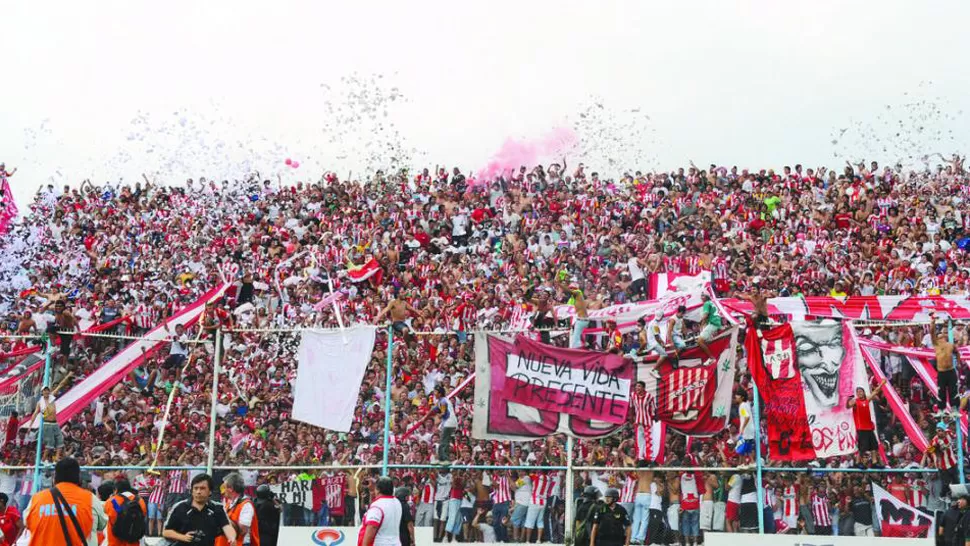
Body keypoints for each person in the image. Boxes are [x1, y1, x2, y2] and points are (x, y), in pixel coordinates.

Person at [23, 457, 107, 546]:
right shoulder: (91, 499)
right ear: (79, 477)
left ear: (55, 476)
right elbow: (102, 525)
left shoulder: (37, 499)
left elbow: (27, 523)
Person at [163, 474, 237, 546]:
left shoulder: (217, 508)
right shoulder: (179, 507)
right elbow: (166, 532)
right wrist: (183, 537)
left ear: (210, 491)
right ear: (191, 490)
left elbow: (227, 526)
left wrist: (232, 539)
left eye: (202, 488)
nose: (198, 492)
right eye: (195, 488)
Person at [846, 380, 887, 466]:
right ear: (856, 394)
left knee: (874, 446)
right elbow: (848, 406)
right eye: (858, 392)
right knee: (862, 447)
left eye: (861, 391)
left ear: (864, 392)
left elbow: (875, 391)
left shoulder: (866, 400)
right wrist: (849, 397)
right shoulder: (855, 402)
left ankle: (874, 462)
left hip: (869, 428)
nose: (860, 393)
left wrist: (882, 383)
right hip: (861, 429)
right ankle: (858, 462)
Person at [930, 312, 962, 410]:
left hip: (951, 370)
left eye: (945, 333)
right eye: (941, 333)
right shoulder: (936, 344)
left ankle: (955, 408)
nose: (943, 335)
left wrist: (959, 363)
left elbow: (957, 353)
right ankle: (941, 409)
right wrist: (933, 321)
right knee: (941, 391)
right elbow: (932, 332)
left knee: (953, 391)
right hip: (942, 372)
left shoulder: (950, 345)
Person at [218, 472, 260, 546]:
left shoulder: (246, 505)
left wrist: (222, 519)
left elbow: (242, 531)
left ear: (231, 488)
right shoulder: (228, 502)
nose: (223, 490)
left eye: (224, 487)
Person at [359, 477, 402, 546]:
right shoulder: (397, 502)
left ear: (378, 490)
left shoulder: (377, 505)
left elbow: (372, 527)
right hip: (395, 542)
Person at [104, 477, 147, 546]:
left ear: (116, 489)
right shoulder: (140, 501)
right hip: (133, 540)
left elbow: (108, 513)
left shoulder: (112, 501)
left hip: (115, 541)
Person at [432, 386, 457, 465]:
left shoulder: (443, 401)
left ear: (440, 393)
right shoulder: (440, 401)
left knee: (444, 441)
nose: (434, 394)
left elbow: (443, 412)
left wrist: (439, 415)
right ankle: (441, 458)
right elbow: (433, 410)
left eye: (435, 392)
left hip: (449, 422)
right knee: (442, 440)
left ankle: (446, 459)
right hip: (447, 423)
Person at [697, 293, 722, 364]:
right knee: (706, 341)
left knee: (699, 341)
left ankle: (712, 358)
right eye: (701, 295)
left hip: (713, 323)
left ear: (706, 297)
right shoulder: (712, 302)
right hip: (717, 323)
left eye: (703, 296)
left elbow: (705, 315)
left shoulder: (706, 303)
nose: (701, 297)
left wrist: (700, 322)